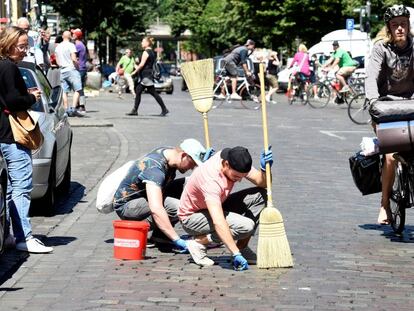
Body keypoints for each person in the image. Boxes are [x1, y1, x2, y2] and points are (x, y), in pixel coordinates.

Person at [0, 26, 53, 253]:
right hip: (13, 134)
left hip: (2, 133)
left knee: (10, 188)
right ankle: (24, 236)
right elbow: (13, 100)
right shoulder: (9, 67)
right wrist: (31, 96)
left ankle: (9, 235)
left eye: (26, 46)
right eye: (21, 46)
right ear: (9, 44)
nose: (24, 51)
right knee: (21, 185)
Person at [178, 146, 273, 270]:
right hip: (192, 217)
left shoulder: (235, 159)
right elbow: (218, 221)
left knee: (262, 195)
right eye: (236, 177)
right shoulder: (211, 181)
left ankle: (242, 248)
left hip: (216, 204)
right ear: (226, 164)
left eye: (242, 177)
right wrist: (235, 253)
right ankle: (198, 242)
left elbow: (263, 183)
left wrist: (264, 169)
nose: (238, 181)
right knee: (246, 226)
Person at [114, 138, 213, 252]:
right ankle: (139, 230)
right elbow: (156, 208)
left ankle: (160, 236)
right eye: (192, 163)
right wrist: (177, 239)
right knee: (179, 207)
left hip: (149, 195)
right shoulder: (154, 169)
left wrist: (206, 165)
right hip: (128, 207)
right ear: (184, 155)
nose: (192, 168)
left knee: (192, 184)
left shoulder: (170, 153)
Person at [365, 4, 414, 225]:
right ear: (389, 28)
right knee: (390, 156)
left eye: (403, 24)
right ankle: (385, 203)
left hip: (411, 104)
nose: (400, 28)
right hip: (386, 108)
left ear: (409, 25)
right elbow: (371, 77)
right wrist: (373, 100)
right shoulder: (380, 49)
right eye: (395, 25)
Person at [126, 37, 169, 116]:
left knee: (150, 92)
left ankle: (164, 109)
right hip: (148, 74)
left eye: (143, 42)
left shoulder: (146, 52)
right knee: (139, 90)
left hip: (146, 75)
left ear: (147, 43)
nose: (141, 43)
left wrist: (134, 72)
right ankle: (135, 110)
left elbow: (142, 64)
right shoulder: (152, 52)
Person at [54, 30, 84, 117]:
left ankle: (66, 109)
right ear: (70, 37)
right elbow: (74, 59)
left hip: (62, 70)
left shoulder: (58, 47)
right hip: (71, 69)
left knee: (64, 91)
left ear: (63, 37)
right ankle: (73, 108)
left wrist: (61, 65)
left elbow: (57, 60)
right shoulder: (71, 45)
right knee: (78, 89)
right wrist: (77, 66)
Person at [72, 28, 87, 112]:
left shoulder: (77, 45)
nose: (72, 35)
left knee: (78, 88)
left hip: (80, 68)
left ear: (77, 36)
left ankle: (81, 105)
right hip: (82, 68)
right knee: (78, 87)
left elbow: (73, 56)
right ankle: (78, 105)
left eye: (73, 34)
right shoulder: (81, 44)